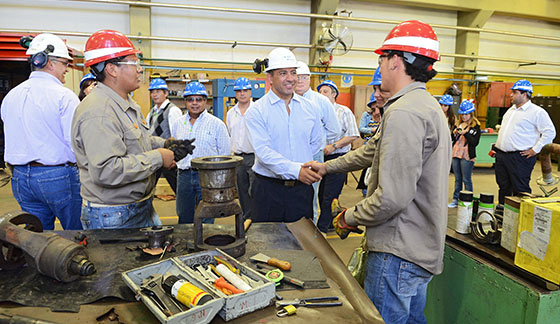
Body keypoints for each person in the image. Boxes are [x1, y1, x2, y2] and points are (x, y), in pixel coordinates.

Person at [305, 20, 451, 323]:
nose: (380, 67)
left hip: (398, 251)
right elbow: (372, 151)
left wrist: (349, 216)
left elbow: (392, 198)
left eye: (381, 59)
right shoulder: (424, 104)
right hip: (418, 247)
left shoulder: (404, 113)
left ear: (396, 61)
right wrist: (326, 167)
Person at [72, 29, 177, 229]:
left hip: (137, 207)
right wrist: (158, 157)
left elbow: (135, 140)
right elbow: (107, 171)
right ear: (112, 69)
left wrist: (165, 144)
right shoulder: (99, 111)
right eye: (134, 63)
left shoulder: (124, 103)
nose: (139, 70)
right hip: (114, 215)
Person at [1, 33, 82, 230]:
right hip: (57, 177)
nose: (67, 69)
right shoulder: (64, 96)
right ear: (50, 63)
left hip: (20, 178)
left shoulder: (12, 95)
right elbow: (76, 142)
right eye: (65, 63)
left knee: (38, 240)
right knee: (77, 234)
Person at [245, 48, 323, 223]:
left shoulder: (309, 108)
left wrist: (300, 169)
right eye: (283, 73)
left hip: (301, 190)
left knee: (302, 243)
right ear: (270, 78)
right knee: (266, 244)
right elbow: (263, 153)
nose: (290, 78)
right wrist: (296, 170)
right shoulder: (257, 111)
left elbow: (315, 143)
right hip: (268, 190)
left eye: (293, 72)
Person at [171, 81, 230, 224]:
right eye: (190, 99)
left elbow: (225, 154)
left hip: (207, 176)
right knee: (184, 214)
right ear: (185, 102)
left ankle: (206, 243)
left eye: (199, 99)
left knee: (208, 214)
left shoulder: (217, 124)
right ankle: (185, 242)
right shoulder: (178, 124)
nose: (194, 103)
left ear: (205, 101)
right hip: (184, 175)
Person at [494, 79, 556, 206]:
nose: (511, 95)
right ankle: (503, 217)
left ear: (525, 94)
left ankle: (521, 219)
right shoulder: (511, 110)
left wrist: (535, 149)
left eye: (515, 92)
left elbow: (550, 132)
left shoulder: (537, 112)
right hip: (502, 156)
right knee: (503, 187)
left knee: (520, 189)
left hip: (520, 157)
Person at [295, 61, 340, 224]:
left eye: (303, 77)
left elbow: (334, 130)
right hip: (291, 156)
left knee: (310, 198)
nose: (299, 80)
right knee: (291, 197)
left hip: (313, 156)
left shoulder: (321, 101)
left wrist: (316, 141)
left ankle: (311, 237)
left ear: (309, 79)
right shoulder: (287, 99)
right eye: (297, 76)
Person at [316, 80, 359, 233]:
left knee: (330, 195)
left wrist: (333, 146)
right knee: (321, 195)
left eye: (326, 91)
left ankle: (320, 229)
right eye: (320, 92)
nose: (322, 94)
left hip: (339, 158)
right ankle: (328, 223)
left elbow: (353, 134)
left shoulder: (344, 111)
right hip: (320, 159)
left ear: (334, 94)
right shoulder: (316, 112)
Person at [226, 77, 255, 224]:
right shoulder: (231, 113)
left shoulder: (257, 110)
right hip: (238, 158)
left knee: (255, 190)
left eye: (245, 90)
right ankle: (245, 218)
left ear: (250, 91)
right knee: (242, 191)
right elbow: (230, 134)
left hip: (254, 157)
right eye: (239, 91)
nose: (242, 93)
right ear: (235, 93)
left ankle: (256, 219)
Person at [147, 77, 182, 194]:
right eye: (152, 92)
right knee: (149, 188)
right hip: (155, 156)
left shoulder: (172, 110)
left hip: (168, 157)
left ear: (166, 93)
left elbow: (176, 136)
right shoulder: (152, 112)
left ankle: (190, 210)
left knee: (178, 188)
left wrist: (175, 157)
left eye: (158, 91)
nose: (154, 94)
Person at [448, 100, 481, 208]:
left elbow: (474, 142)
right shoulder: (458, 124)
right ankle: (455, 199)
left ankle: (468, 200)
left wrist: (465, 133)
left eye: (466, 114)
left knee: (466, 179)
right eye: (462, 114)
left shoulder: (475, 126)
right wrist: (455, 134)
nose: (464, 117)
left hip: (466, 155)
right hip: (456, 153)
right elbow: (453, 140)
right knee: (457, 179)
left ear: (471, 114)